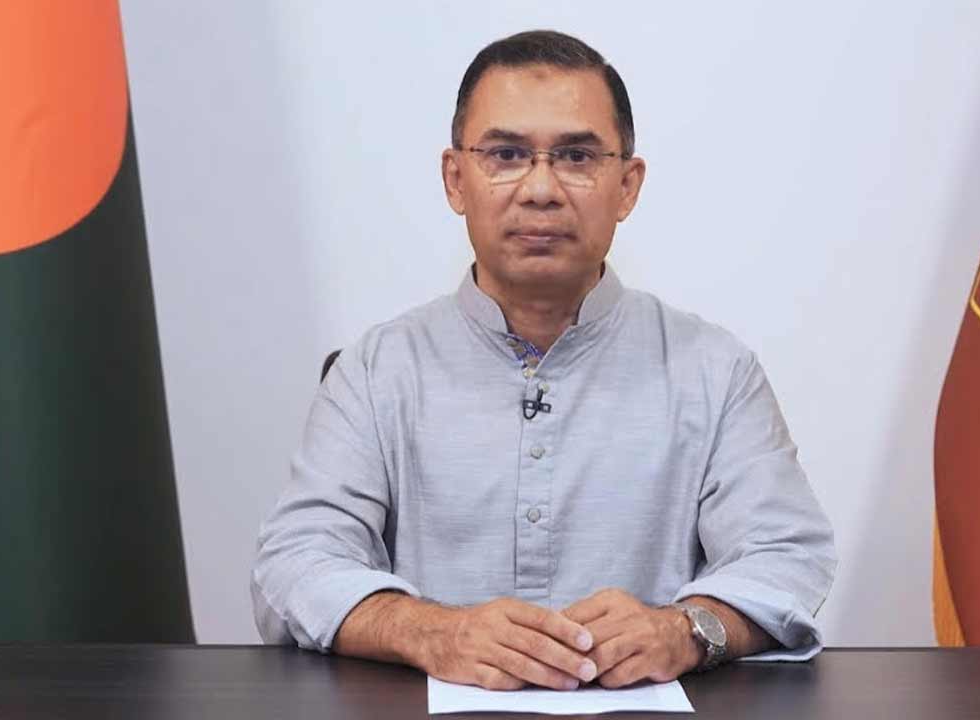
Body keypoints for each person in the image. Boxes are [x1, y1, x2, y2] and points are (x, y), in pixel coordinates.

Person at [252, 29, 836, 691]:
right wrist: (431, 631)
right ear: (455, 179)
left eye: (576, 156)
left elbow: (787, 555)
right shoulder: (376, 370)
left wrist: (685, 630)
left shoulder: (713, 370)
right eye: (505, 154)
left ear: (627, 186)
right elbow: (293, 563)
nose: (540, 189)